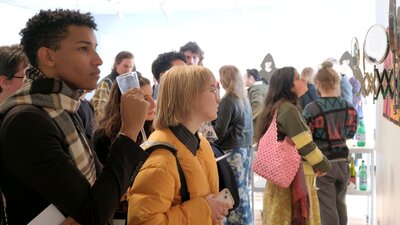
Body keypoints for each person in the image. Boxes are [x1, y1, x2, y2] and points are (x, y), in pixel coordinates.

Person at [0, 9, 149, 225]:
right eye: (84, 49)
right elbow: (94, 213)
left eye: (95, 49)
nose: (98, 60)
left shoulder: (64, 107)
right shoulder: (26, 120)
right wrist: (129, 130)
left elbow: (102, 188)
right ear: (48, 56)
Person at [128, 65, 232, 225]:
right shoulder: (161, 161)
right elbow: (144, 221)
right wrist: (205, 209)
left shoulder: (200, 143)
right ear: (188, 96)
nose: (218, 98)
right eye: (212, 90)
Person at [255, 67, 331, 225]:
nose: (303, 81)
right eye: (298, 78)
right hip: (294, 177)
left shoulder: (276, 107)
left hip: (280, 177)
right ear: (288, 86)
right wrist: (324, 165)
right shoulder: (288, 109)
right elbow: (305, 145)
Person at [302, 63, 358, 225]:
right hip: (343, 161)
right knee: (340, 203)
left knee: (326, 208)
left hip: (323, 164)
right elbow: (351, 133)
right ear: (336, 83)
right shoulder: (349, 108)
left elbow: (307, 138)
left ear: (318, 84)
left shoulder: (311, 109)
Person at [213, 65, 253, 225]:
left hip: (231, 152)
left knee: (230, 192)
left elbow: (219, 132)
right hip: (244, 150)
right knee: (241, 191)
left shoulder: (228, 100)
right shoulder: (243, 98)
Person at [91, 51, 136, 123]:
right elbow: (100, 113)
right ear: (116, 65)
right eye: (125, 66)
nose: (128, 70)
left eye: (131, 67)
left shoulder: (126, 84)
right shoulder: (106, 83)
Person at [244, 68, 268, 140]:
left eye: (244, 77)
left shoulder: (255, 89)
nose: (243, 80)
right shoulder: (265, 87)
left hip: (257, 125)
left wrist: (247, 120)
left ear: (251, 78)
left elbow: (258, 105)